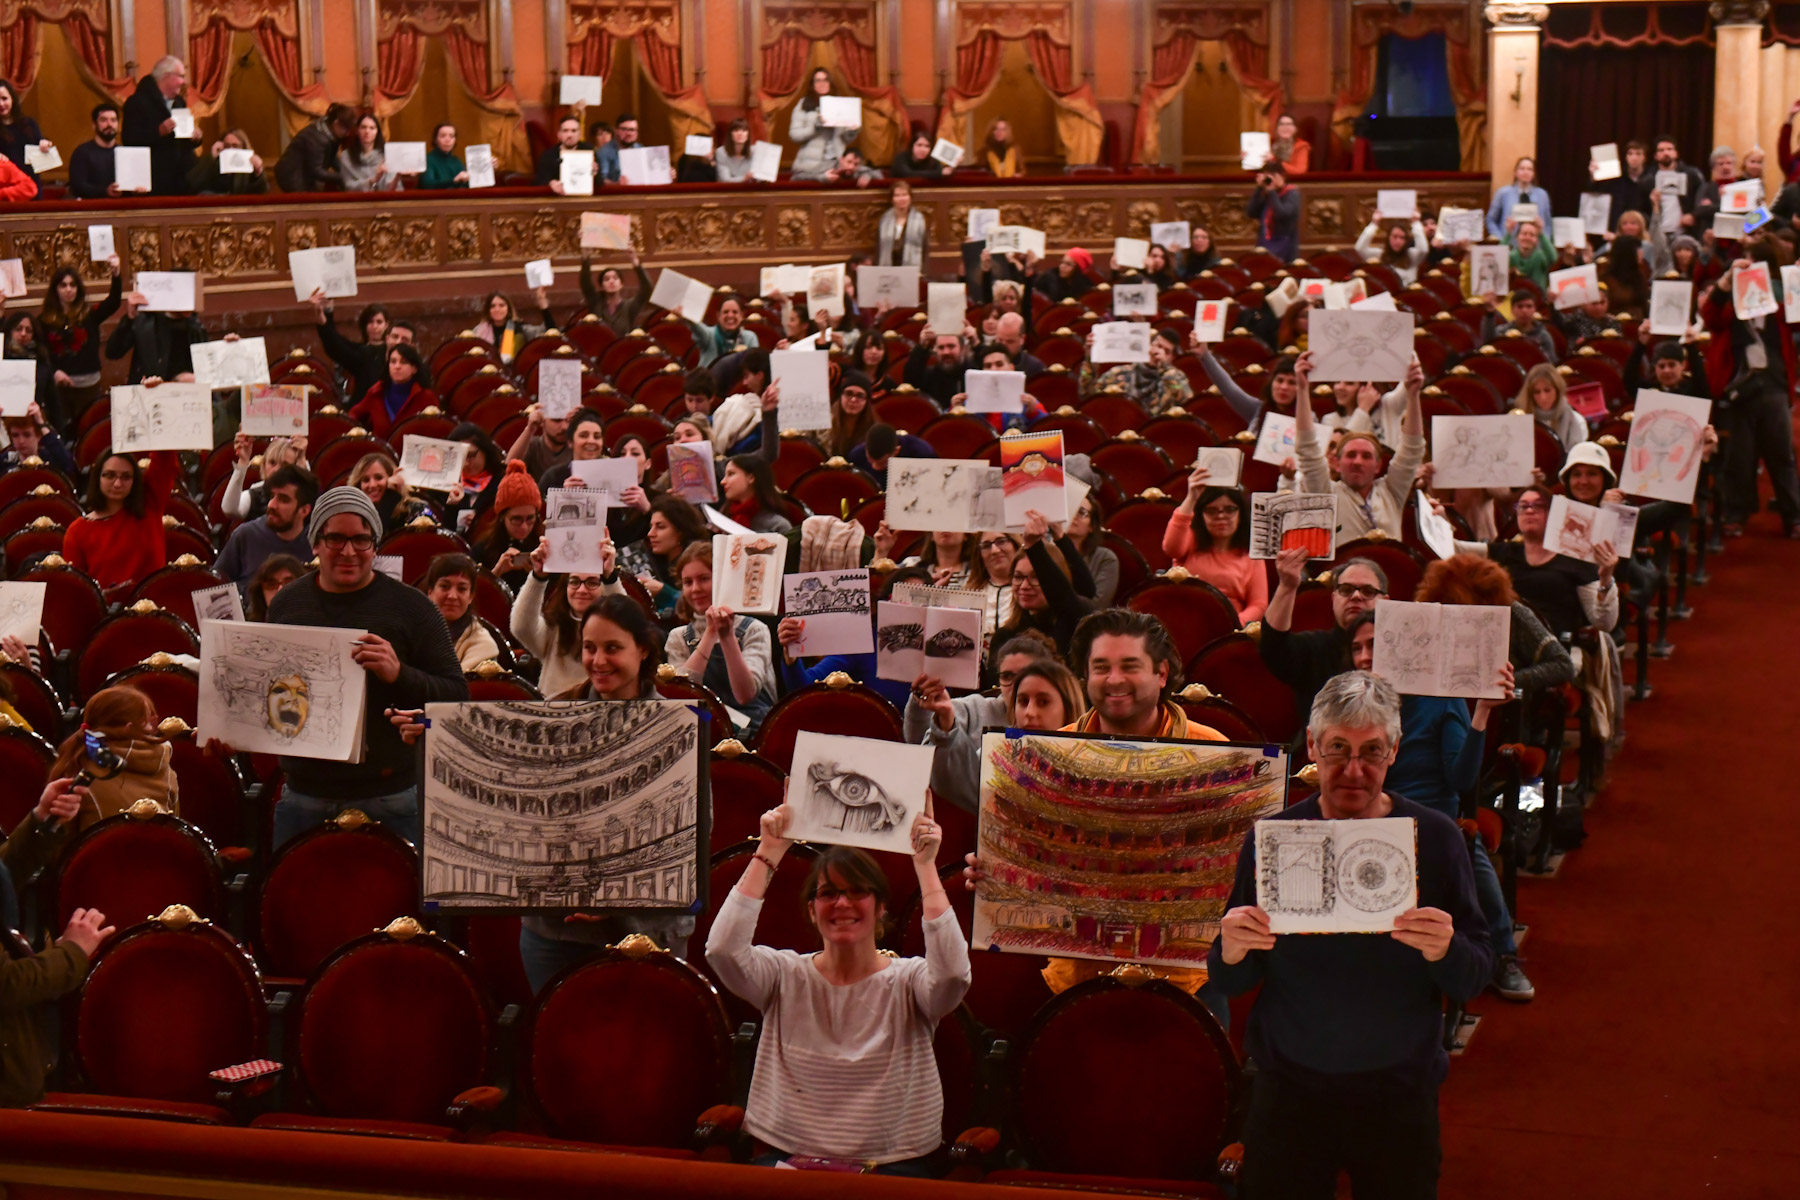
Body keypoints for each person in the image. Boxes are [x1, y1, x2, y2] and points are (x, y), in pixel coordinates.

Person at [1209, 670, 1492, 1199]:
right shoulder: (1273, 840)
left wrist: (1446, 949)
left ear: (1395, 751)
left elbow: (1477, 971)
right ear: (1312, 744)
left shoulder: (1435, 839)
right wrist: (1231, 947)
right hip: (1289, 1092)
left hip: (1397, 1094)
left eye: (1373, 751)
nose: (1355, 770)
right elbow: (1231, 977)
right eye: (1338, 748)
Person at [706, 802, 969, 1175]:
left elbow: (954, 977)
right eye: (828, 893)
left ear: (880, 909)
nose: (842, 903)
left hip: (892, 1168)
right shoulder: (782, 974)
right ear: (812, 910)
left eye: (858, 892)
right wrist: (769, 850)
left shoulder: (910, 980)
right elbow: (721, 950)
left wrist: (925, 866)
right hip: (788, 1161)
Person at [265, 487, 468, 847]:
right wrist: (233, 731)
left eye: (361, 540)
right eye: (335, 539)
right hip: (304, 794)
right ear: (315, 542)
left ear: (375, 545)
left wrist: (399, 672)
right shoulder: (286, 604)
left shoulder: (413, 607)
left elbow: (457, 695)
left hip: (391, 795)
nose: (348, 551)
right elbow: (264, 693)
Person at [1700, 254, 1800, 538]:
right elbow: (1709, 316)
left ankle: (1793, 515)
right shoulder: (1727, 310)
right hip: (1737, 391)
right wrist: (1725, 280)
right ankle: (1737, 513)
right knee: (1738, 458)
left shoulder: (1778, 311)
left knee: (1781, 455)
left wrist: (1797, 281)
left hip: (1773, 387)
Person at [905, 633, 1060, 814]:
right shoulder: (971, 708)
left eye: (1026, 674)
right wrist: (923, 705)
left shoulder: (1062, 717)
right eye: (1007, 676)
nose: (1016, 683)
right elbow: (922, 750)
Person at [1260, 548, 1387, 746]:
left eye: (1368, 591)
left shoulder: (1400, 653)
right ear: (1333, 598)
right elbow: (1273, 648)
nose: (1356, 596)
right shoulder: (1315, 648)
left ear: (1385, 602)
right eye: (1346, 590)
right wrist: (1287, 586)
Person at [1293, 351, 1425, 542]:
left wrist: (1413, 395)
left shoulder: (1392, 491)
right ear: (1336, 463)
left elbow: (1412, 450)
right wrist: (1302, 389)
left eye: (1366, 456)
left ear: (1378, 466)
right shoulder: (1326, 492)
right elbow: (1307, 449)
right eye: (1351, 455)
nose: (1357, 461)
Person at [667, 541, 776, 726]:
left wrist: (726, 636)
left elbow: (745, 695)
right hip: (706, 727)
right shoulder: (678, 637)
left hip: (755, 729)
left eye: (703, 579)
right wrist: (710, 633)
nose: (695, 589)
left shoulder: (754, 629)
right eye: (688, 582)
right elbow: (682, 696)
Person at [62, 449, 181, 598]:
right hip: (110, 616)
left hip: (156, 611)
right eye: (110, 475)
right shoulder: (77, 531)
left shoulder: (149, 504)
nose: (118, 484)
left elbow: (165, 459)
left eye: (126, 477)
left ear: (134, 480)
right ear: (97, 477)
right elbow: (78, 592)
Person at [1164, 471, 1267, 622]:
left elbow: (1258, 604)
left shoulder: (1251, 554)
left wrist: (1233, 623)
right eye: (1211, 510)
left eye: (1230, 509)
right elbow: (1170, 548)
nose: (1220, 516)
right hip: (1185, 621)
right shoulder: (1190, 540)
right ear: (1202, 515)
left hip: (1230, 628)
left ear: (1240, 514)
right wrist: (1192, 497)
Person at [37, 259, 123, 429]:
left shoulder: (89, 315)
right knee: (62, 431)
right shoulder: (44, 320)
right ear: (56, 289)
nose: (69, 289)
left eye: (73, 285)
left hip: (88, 385)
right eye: (63, 285)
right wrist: (54, 372)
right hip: (60, 386)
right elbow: (41, 352)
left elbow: (113, 302)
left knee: (88, 429)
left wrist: (116, 273)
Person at [214, 465, 319, 590]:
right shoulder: (245, 535)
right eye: (271, 496)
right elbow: (216, 586)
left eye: (283, 499)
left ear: (304, 510)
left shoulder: (317, 543)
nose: (272, 505)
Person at [121, 56, 197, 196]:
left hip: (182, 179)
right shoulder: (137, 102)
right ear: (167, 76)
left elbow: (184, 142)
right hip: (154, 180)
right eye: (181, 76)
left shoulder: (179, 102)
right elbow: (129, 139)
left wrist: (195, 137)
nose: (184, 82)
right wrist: (158, 132)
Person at [1078, 326, 1192, 416]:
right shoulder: (1118, 373)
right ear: (1148, 345)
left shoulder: (1175, 379)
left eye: (1166, 351)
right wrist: (1089, 360)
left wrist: (1164, 368)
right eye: (1157, 345)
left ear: (1171, 358)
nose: (1158, 352)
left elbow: (1187, 405)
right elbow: (1087, 396)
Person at [104, 291, 206, 385]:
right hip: (148, 392)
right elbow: (113, 352)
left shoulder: (195, 325)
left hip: (187, 394)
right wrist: (130, 317)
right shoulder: (145, 321)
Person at [347, 343, 438, 440]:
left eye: (404, 362)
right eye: (393, 361)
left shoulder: (426, 396)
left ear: (414, 369)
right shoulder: (376, 392)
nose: (397, 366)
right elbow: (354, 413)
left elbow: (437, 428)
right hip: (381, 452)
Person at [424, 553, 500, 670]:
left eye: (461, 589)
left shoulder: (483, 644)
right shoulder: (409, 629)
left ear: (471, 597)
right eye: (444, 586)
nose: (452, 596)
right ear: (430, 591)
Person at [476, 460, 543, 591]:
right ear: (502, 517)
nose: (524, 527)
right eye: (516, 519)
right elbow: (474, 595)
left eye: (530, 519)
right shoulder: (483, 547)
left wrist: (540, 575)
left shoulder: (544, 546)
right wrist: (497, 571)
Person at [788, 69, 858, 183]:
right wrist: (815, 127)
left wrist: (852, 131)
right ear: (812, 84)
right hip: (810, 166)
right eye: (818, 80)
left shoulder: (840, 104)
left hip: (836, 164)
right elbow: (794, 135)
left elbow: (845, 139)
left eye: (826, 80)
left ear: (830, 83)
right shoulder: (803, 104)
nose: (822, 83)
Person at [275, 103, 355, 193]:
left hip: (303, 174)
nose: (348, 133)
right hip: (292, 176)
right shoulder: (317, 139)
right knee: (304, 204)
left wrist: (348, 170)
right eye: (346, 129)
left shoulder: (330, 131)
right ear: (336, 123)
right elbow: (317, 171)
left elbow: (332, 157)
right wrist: (343, 176)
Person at [1511, 361, 1588, 451]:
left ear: (1557, 390)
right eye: (1537, 392)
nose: (1543, 397)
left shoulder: (1578, 421)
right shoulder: (1519, 420)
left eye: (1547, 390)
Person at [579, 250, 653, 338]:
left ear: (621, 284)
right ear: (602, 286)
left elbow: (647, 288)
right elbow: (585, 282)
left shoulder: (629, 306)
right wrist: (586, 255)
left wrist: (635, 262)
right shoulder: (596, 303)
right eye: (606, 279)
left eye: (615, 278)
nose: (611, 281)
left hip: (622, 349)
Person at [1064, 494, 1119, 606]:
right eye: (1070, 509)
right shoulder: (1048, 552)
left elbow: (1098, 605)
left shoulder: (1105, 558)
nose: (1074, 515)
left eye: (1082, 513)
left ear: (1092, 526)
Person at [472, 291, 552, 366]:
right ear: (488, 310)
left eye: (501, 305)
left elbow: (550, 332)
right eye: (493, 306)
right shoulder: (479, 331)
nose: (497, 309)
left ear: (508, 308)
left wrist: (543, 306)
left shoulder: (520, 328)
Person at [1479, 288, 1557, 364]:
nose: (1524, 310)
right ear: (1512, 310)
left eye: (1529, 306)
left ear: (1535, 309)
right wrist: (1489, 314)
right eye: (1520, 306)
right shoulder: (1502, 332)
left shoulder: (1543, 336)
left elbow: (1551, 363)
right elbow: (1488, 343)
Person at [68, 102, 129, 199]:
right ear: (94, 125)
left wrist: (137, 190)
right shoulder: (82, 152)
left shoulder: (125, 153)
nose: (109, 124)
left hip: (121, 209)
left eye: (113, 120)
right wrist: (105, 191)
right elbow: (78, 186)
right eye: (103, 120)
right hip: (91, 209)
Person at [719, 453, 792, 534]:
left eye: (731, 474)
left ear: (751, 478)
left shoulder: (777, 525)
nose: (723, 482)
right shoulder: (724, 517)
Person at [0, 403, 75, 479]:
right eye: (15, 435)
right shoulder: (6, 460)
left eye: (27, 435)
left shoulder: (51, 458)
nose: (21, 441)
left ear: (39, 435)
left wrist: (41, 424)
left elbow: (69, 466)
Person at [186, 127, 268, 196]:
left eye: (235, 146)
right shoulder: (213, 163)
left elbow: (263, 193)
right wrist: (211, 157)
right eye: (227, 146)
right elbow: (193, 183)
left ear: (243, 147)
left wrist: (258, 174)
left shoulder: (250, 164)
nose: (231, 149)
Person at [1648, 136, 1707, 229]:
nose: (1666, 153)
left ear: (1676, 153)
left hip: (1685, 230)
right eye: (1661, 150)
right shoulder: (1648, 180)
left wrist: (1693, 215)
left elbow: (1702, 199)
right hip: (1658, 232)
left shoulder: (1691, 175)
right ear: (1655, 156)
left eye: (1669, 149)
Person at [0, 80, 49, 193]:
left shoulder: (28, 123)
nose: (1, 104)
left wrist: (45, 144)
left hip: (32, 184)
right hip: (7, 189)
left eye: (4, 98)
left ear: (12, 99)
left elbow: (40, 145)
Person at [905, 328, 970, 408]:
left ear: (963, 349)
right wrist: (922, 347)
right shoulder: (930, 375)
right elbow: (911, 381)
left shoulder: (971, 373)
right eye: (941, 348)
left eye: (951, 346)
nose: (946, 352)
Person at [1355, 214, 1430, 285]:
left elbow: (1423, 250)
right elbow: (1359, 249)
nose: (1398, 241)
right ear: (1388, 238)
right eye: (1395, 236)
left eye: (1402, 238)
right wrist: (1374, 224)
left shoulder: (1411, 255)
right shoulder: (1380, 255)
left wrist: (1415, 223)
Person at [1247, 162, 1300, 261]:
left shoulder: (1292, 193)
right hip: (1265, 243)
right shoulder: (1267, 193)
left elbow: (1282, 214)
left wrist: (1272, 192)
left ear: (1282, 176)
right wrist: (1259, 188)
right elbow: (1251, 212)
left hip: (1285, 248)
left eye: (1273, 176)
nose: (1270, 180)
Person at [688, 295, 759, 368]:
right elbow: (697, 327)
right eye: (725, 312)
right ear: (718, 315)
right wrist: (685, 314)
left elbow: (755, 366)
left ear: (741, 315)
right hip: (709, 378)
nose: (730, 315)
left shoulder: (750, 337)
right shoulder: (709, 335)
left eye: (735, 312)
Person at [338, 113, 399, 192]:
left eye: (372, 128)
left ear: (377, 132)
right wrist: (372, 181)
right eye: (363, 127)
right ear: (357, 131)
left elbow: (392, 189)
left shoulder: (387, 156)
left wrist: (398, 173)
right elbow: (348, 186)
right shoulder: (346, 156)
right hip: (357, 202)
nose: (367, 131)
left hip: (384, 201)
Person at [875, 180, 929, 267]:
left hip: (912, 268)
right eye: (897, 195)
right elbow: (878, 248)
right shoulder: (884, 219)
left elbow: (925, 249)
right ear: (892, 199)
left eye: (904, 195)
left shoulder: (920, 219)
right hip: (888, 266)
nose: (901, 199)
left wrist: (923, 271)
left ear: (910, 197)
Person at [536, 114, 593, 190]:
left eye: (574, 131)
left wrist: (594, 173)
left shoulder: (589, 151)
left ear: (579, 134)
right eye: (565, 131)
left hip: (583, 198)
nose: (569, 135)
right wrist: (550, 183)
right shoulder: (548, 155)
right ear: (559, 135)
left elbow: (600, 183)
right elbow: (539, 181)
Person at [246, 554, 304, 621]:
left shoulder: (316, 624)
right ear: (261, 593)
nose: (280, 590)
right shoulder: (250, 629)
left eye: (289, 584)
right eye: (271, 584)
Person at [1505, 217, 1557, 290]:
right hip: (1515, 299)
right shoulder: (1511, 256)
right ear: (1517, 237)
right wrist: (1508, 233)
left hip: (1538, 298)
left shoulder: (1540, 256)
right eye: (1524, 234)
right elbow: (1499, 259)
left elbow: (1553, 258)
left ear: (1537, 240)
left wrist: (1541, 234)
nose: (1527, 237)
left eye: (1532, 235)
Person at [418, 123, 469, 189]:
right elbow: (428, 184)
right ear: (435, 140)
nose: (447, 140)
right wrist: (454, 181)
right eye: (443, 136)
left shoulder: (456, 161)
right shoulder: (428, 160)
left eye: (451, 136)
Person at [594, 113, 639, 184]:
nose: (629, 133)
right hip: (616, 193)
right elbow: (601, 180)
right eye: (624, 129)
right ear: (616, 131)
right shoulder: (604, 152)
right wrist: (618, 184)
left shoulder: (640, 149)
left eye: (632, 130)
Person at [714, 118, 755, 183]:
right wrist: (744, 178)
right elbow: (724, 180)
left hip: (749, 191)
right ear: (730, 134)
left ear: (748, 134)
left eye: (744, 130)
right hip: (727, 191)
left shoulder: (755, 151)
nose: (740, 133)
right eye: (736, 130)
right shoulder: (721, 152)